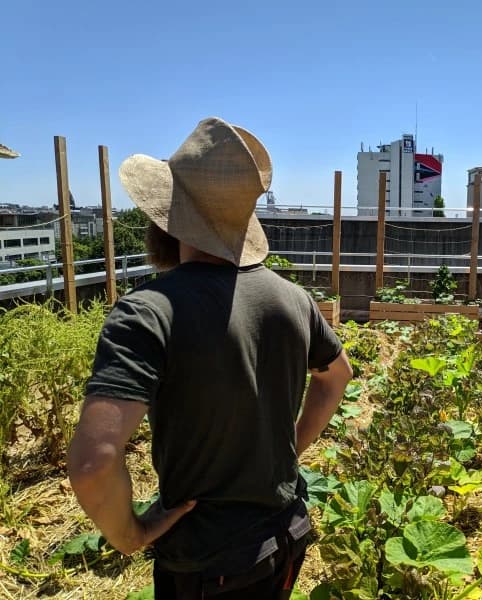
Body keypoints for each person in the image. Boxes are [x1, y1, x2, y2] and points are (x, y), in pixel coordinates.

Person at [67, 117, 352, 599]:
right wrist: (291, 451)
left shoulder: (148, 312)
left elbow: (94, 463)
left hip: (207, 562)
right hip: (286, 532)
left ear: (166, 216)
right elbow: (336, 377)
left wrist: (130, 534)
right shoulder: (292, 299)